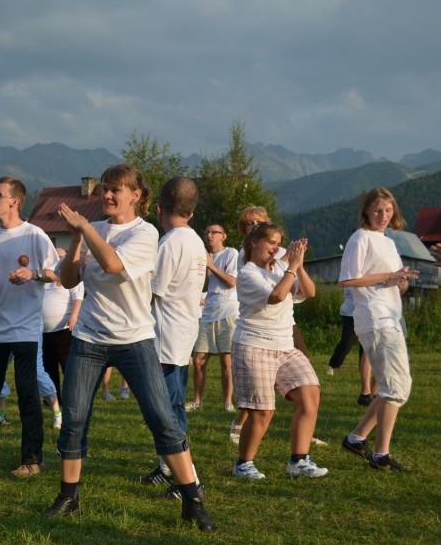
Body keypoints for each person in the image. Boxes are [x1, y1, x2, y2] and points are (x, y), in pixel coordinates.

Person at [45, 164, 214, 532]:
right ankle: (68, 496)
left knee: (162, 420)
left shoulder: (146, 232)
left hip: (135, 340)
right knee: (73, 419)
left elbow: (113, 263)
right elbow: (68, 278)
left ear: (136, 195)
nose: (107, 195)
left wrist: (85, 229)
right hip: (89, 339)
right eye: (105, 188)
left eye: (115, 189)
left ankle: (193, 500)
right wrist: (76, 239)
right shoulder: (94, 230)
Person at [0, 176, 59, 478]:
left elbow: (54, 274)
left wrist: (31, 273)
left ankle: (32, 460)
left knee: (27, 394)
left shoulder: (34, 235)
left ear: (15, 201)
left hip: (25, 328)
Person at [231, 222, 328, 480]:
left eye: (279, 243)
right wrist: (291, 267)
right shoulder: (248, 272)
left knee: (310, 394)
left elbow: (309, 292)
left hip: (285, 346)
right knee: (263, 412)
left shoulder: (282, 269)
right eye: (271, 242)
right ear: (254, 242)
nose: (276, 248)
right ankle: (243, 463)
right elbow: (276, 296)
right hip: (254, 345)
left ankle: (298, 460)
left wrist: (299, 264)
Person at [136, 176, 208, 499]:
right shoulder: (196, 242)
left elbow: (153, 291)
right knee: (171, 406)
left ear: (159, 209)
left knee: (168, 412)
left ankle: (188, 480)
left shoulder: (167, 244)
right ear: (192, 213)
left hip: (164, 338)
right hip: (183, 334)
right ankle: (168, 468)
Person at [340, 187, 418, 472]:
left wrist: (402, 280)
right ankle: (380, 454)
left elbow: (393, 280)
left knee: (390, 387)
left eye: (388, 210)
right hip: (375, 319)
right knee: (397, 388)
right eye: (377, 210)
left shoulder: (387, 241)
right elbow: (348, 280)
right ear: (366, 211)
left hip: (390, 316)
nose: (383, 215)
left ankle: (357, 438)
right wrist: (388, 275)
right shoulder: (360, 238)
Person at [189, 223, 239, 413]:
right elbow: (205, 287)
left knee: (227, 361)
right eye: (207, 232)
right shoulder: (205, 258)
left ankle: (227, 403)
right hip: (208, 312)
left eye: (214, 232)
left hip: (228, 311)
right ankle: (197, 401)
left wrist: (211, 266)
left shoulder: (231, 253)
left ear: (223, 236)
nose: (209, 235)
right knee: (199, 359)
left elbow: (231, 282)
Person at [40, 247, 84, 400]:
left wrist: (74, 316)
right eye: (56, 257)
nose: (59, 260)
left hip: (64, 329)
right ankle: (53, 399)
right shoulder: (46, 276)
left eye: (62, 257)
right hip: (44, 331)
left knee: (68, 366)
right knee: (48, 366)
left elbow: (78, 297)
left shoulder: (70, 275)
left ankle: (73, 398)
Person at [325, 288, 377, 406]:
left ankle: (368, 390)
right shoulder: (352, 272)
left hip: (368, 314)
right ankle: (333, 363)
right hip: (350, 314)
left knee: (366, 348)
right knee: (346, 343)